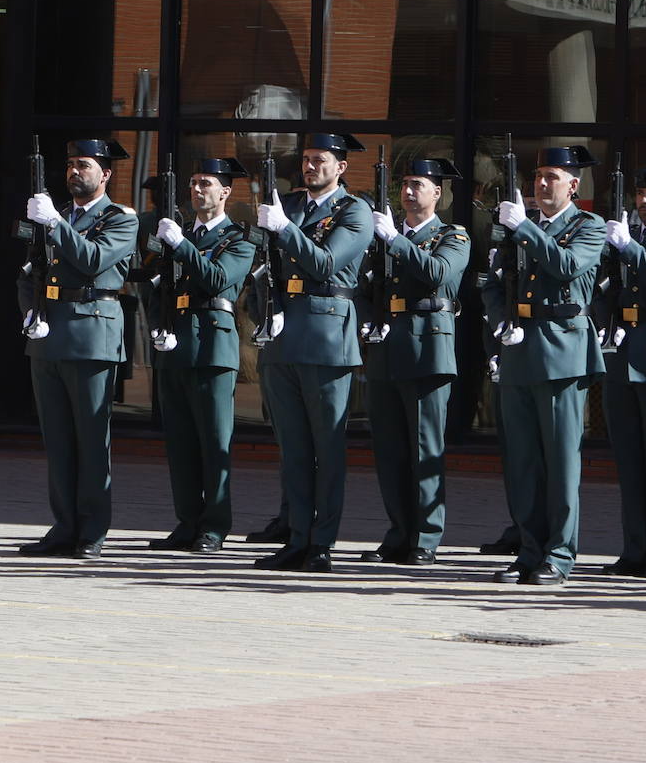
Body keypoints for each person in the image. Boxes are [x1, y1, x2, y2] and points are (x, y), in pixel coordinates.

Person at [482, 145, 604, 585]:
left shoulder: (588, 227)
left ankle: (559, 555)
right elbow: (492, 284)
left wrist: (525, 230)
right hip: (518, 349)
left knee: (560, 462)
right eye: (537, 176)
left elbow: (567, 267)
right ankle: (528, 551)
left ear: (573, 184)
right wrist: (501, 323)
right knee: (522, 463)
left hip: (561, 351)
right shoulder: (520, 226)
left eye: (551, 176)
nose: (541, 183)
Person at [253, 133, 373, 572]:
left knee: (327, 448)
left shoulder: (355, 210)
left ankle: (321, 543)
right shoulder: (288, 204)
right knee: (294, 450)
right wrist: (265, 312)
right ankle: (296, 536)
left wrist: (283, 229)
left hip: (325, 337)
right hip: (283, 336)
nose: (309, 167)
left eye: (319, 160)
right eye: (305, 159)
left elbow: (326, 262)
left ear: (340, 167)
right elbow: (260, 270)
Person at [16, 138, 138, 559]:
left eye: (83, 165)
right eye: (69, 164)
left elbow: (92, 260)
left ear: (105, 174)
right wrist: (28, 312)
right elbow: (28, 271)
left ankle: (92, 530)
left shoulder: (120, 220)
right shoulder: (57, 215)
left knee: (90, 440)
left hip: (91, 335)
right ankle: (63, 526)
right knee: (58, 441)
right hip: (49, 336)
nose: (74, 172)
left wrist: (54, 225)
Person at [360, 158, 469, 565]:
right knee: (389, 449)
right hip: (387, 347)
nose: (409, 192)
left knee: (425, 449)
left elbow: (438, 273)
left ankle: (425, 538)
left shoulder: (451, 235)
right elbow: (363, 284)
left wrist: (396, 242)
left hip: (427, 349)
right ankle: (398, 533)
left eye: (418, 184)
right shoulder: (384, 237)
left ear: (437, 193)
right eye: (405, 184)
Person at [146, 158, 255, 553]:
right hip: (175, 345)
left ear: (225, 191)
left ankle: (214, 525)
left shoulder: (239, 239)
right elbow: (156, 286)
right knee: (180, 442)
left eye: (205, 183)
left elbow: (217, 280)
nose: (197, 190)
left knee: (213, 441)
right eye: (193, 183)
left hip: (213, 346)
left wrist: (181, 244)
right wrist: (158, 326)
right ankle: (187, 520)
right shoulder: (177, 233)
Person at [594, 166, 646, 577]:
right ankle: (635, 550)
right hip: (622, 354)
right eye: (641, 192)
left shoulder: (633, 240)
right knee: (630, 463)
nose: (644, 201)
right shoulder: (629, 232)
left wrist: (630, 249)